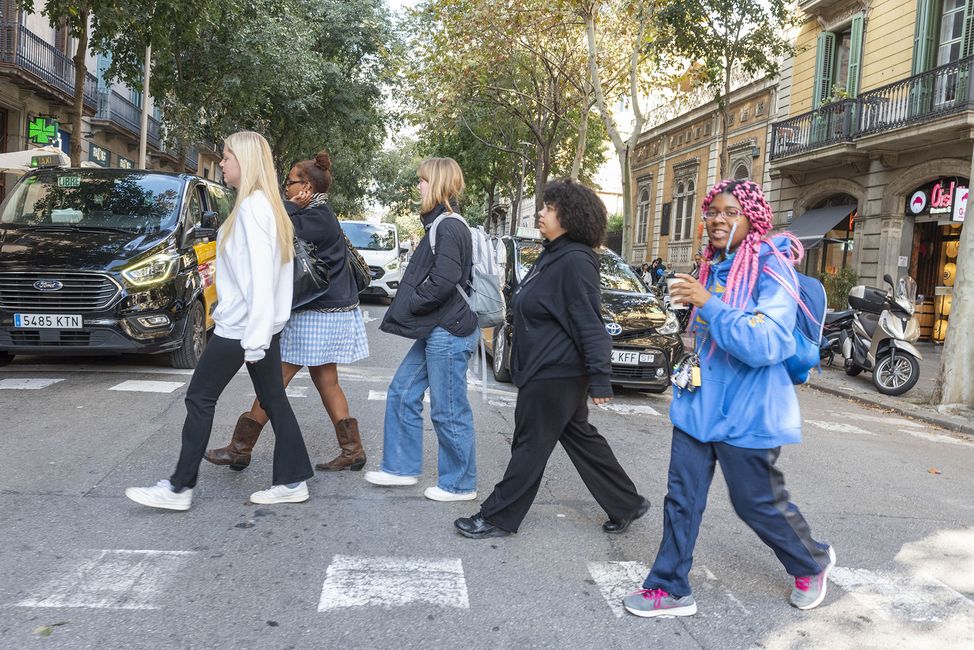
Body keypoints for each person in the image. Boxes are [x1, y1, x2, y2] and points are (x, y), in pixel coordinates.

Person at [623, 179, 834, 618]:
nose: (718, 219)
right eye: (712, 211)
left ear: (751, 218)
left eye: (729, 211)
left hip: (749, 412)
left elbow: (769, 343)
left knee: (754, 503)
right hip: (699, 405)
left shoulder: (771, 266)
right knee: (681, 498)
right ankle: (670, 587)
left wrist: (709, 304)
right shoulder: (712, 265)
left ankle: (811, 560)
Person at [125, 131, 314, 510]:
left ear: (245, 162)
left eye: (227, 156)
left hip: (243, 328)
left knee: (199, 398)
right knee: (274, 400)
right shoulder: (262, 207)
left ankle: (179, 488)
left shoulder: (253, 209)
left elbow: (262, 280)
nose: (222, 162)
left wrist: (256, 340)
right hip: (255, 327)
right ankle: (293, 480)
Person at [454, 179, 648, 539]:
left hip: (556, 372)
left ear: (569, 215)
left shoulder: (575, 260)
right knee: (580, 439)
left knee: (530, 444)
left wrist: (601, 376)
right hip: (549, 368)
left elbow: (588, 320)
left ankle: (498, 516)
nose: (541, 213)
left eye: (548, 208)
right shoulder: (555, 253)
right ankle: (627, 502)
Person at [203, 150, 370, 473]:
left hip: (318, 312)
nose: (285, 189)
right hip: (324, 310)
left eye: (291, 183)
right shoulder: (317, 213)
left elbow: (279, 228)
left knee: (276, 379)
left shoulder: (317, 217)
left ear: (306, 187)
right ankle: (352, 450)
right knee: (325, 380)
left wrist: (292, 205)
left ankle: (240, 448)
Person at [363, 157, 480, 502]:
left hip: (448, 331)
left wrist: (412, 301)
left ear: (439, 183)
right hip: (440, 329)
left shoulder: (448, 226)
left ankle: (460, 484)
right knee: (402, 391)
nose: (418, 186)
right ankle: (400, 468)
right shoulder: (442, 225)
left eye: (423, 180)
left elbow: (445, 280)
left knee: (449, 408)